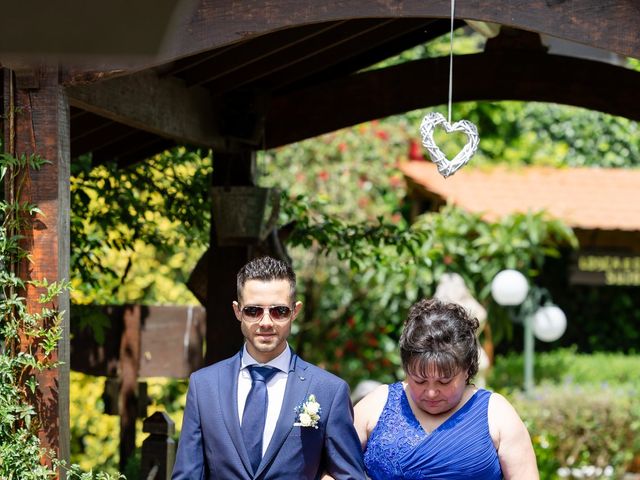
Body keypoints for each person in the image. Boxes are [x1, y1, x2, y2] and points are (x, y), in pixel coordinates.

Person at [172, 256, 365, 480]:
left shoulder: (329, 391)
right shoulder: (203, 385)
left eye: (279, 311)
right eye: (253, 311)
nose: (265, 322)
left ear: (295, 311)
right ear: (237, 311)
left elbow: (349, 476)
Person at [354, 298, 539, 480]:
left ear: (466, 370)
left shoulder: (497, 413)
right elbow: (332, 468)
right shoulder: (377, 403)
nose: (431, 392)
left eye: (444, 382)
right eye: (419, 381)